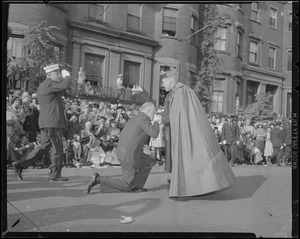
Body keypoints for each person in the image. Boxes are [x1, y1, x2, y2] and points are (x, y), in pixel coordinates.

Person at [160, 68, 235, 198]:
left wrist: (163, 119)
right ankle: (184, 182)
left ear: (170, 81)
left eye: (163, 82)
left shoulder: (180, 92)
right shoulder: (177, 92)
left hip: (184, 131)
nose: (162, 85)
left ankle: (186, 185)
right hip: (184, 129)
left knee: (188, 157)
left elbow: (175, 115)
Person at [12, 63, 72, 181]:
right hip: (53, 122)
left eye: (60, 73)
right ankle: (55, 175)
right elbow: (64, 86)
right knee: (57, 148)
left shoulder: (44, 85)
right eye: (57, 73)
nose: (59, 75)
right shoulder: (50, 84)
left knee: (45, 146)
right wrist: (67, 77)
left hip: (46, 122)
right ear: (49, 75)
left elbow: (61, 89)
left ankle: (20, 164)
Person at [86, 102, 159, 194]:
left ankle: (137, 186)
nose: (154, 114)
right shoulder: (144, 118)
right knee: (126, 184)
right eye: (154, 112)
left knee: (148, 161)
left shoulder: (136, 118)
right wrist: (156, 122)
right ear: (148, 111)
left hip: (127, 151)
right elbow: (154, 133)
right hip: (129, 154)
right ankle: (99, 179)